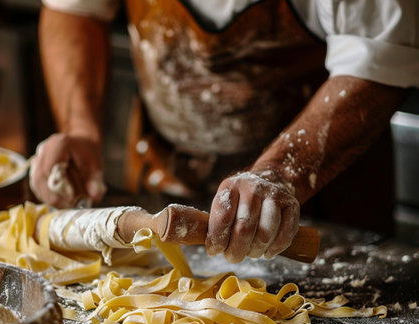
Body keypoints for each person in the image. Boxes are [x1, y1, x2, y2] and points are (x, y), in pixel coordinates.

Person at [30, 0, 418, 263]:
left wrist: (279, 174)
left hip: (322, 198)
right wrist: (80, 126)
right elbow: (75, 9)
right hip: (164, 173)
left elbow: (376, 62)